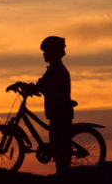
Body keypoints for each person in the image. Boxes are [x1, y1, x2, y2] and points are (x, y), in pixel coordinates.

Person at [7, 36, 73, 174]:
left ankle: (64, 174)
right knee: (56, 142)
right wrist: (24, 85)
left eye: (46, 52)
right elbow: (41, 85)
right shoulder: (53, 70)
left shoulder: (58, 70)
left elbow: (48, 88)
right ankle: (61, 173)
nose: (44, 55)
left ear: (53, 52)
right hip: (56, 111)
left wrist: (40, 89)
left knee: (60, 145)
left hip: (60, 112)